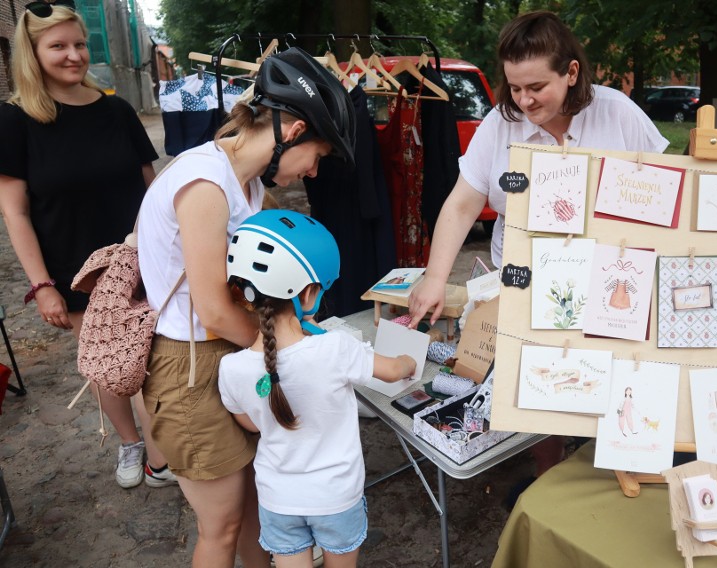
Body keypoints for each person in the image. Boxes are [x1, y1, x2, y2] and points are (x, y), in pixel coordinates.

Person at [407, 10, 668, 494]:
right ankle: (546, 478)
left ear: (571, 73)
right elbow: (464, 203)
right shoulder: (499, 123)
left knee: (608, 380)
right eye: (514, 88)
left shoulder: (618, 114)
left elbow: (661, 193)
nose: (523, 101)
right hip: (524, 281)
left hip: (609, 280)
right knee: (537, 382)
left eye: (536, 88)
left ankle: (611, 471)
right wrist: (436, 276)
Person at [136, 46, 356, 568]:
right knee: (221, 527)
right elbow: (213, 310)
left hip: (227, 353)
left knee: (256, 505)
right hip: (189, 363)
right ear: (295, 131)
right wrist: (289, 352)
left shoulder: (247, 183)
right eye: (318, 157)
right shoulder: (207, 183)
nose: (314, 172)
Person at [0, 0, 175, 489]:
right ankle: (131, 443)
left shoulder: (117, 110)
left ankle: (162, 458)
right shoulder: (15, 121)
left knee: (157, 358)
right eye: (58, 46)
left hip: (141, 258)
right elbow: (14, 212)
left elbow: (151, 187)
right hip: (76, 270)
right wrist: (42, 285)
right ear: (32, 54)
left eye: (80, 44)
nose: (74, 55)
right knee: (109, 363)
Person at [219, 210, 417, 568]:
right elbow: (390, 372)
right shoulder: (335, 348)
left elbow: (250, 424)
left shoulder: (230, 368)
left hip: (277, 500)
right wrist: (407, 360)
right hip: (336, 497)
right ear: (308, 293)